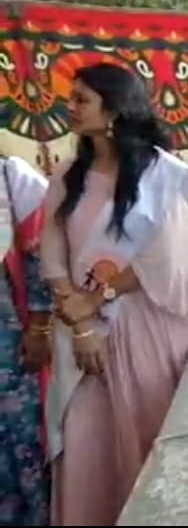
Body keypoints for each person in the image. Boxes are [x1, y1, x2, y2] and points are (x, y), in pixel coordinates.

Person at [41, 62, 188, 525]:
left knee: (146, 439)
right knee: (88, 444)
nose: (70, 107)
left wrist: (96, 299)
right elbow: (52, 255)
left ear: (114, 110)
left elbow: (165, 258)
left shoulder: (157, 174)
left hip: (144, 326)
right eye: (71, 97)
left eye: (82, 99)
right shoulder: (67, 176)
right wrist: (80, 323)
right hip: (82, 335)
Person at [0, 154, 51, 526]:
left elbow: (41, 253)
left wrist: (39, 327)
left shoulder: (10, 176)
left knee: (25, 439)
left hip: (10, 340)